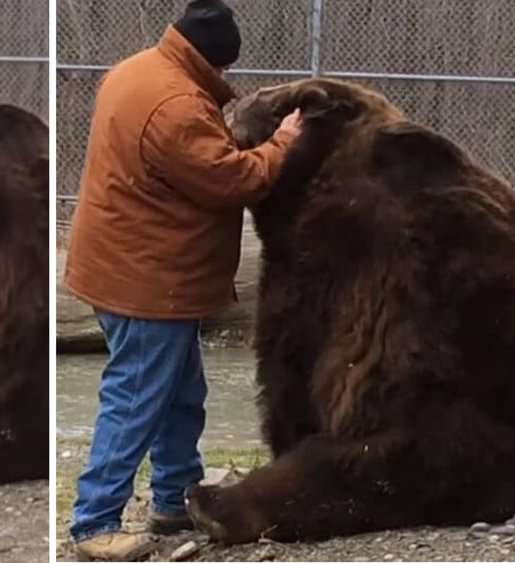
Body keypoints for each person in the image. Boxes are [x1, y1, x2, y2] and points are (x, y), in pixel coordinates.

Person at [63, 0, 303, 560]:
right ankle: (94, 522)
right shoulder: (176, 105)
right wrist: (283, 143)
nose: (224, 76)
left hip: (129, 265)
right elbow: (233, 180)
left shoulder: (137, 70)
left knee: (179, 392)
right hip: (145, 280)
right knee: (136, 397)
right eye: (223, 67)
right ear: (210, 58)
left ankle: (174, 497)